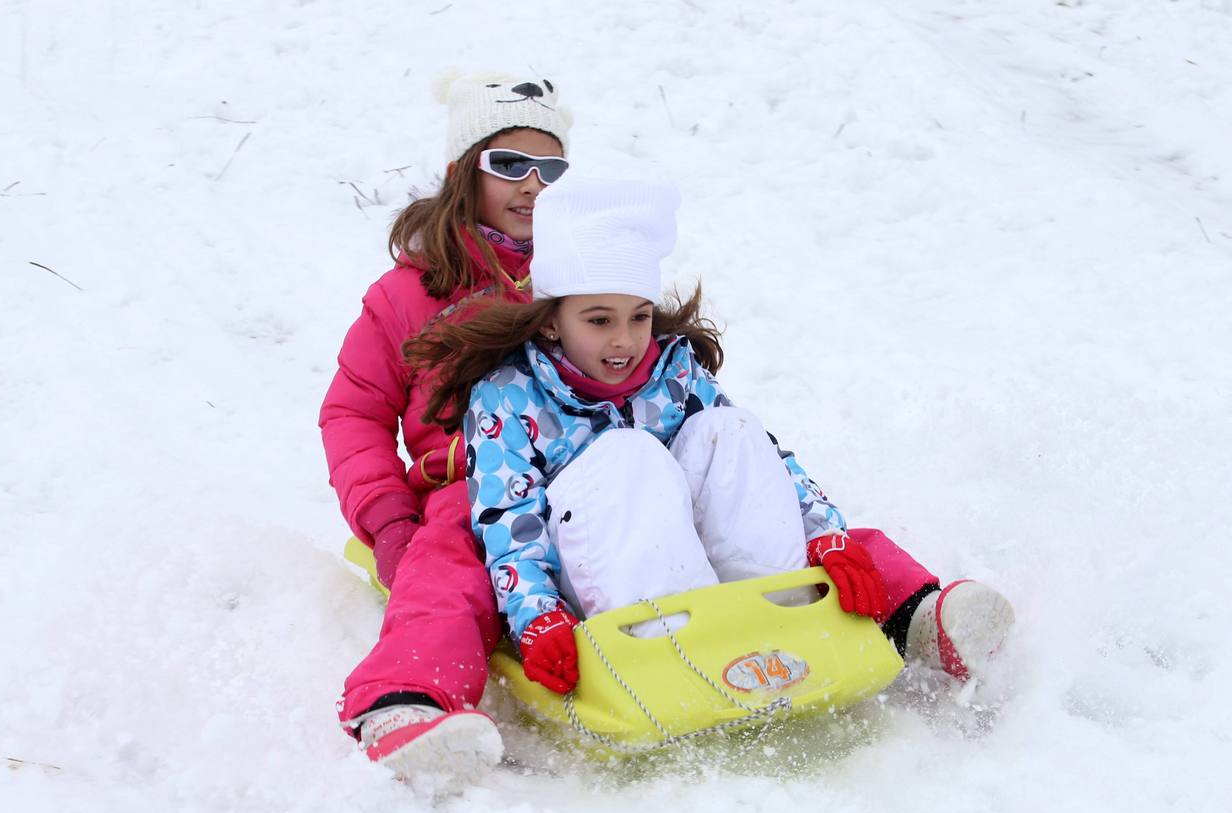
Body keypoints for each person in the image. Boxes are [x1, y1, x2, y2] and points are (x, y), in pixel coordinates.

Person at [404, 171, 1015, 696]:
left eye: (638, 317)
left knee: (729, 430)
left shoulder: (673, 371)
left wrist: (825, 536)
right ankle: (670, 639)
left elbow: (764, 460)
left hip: (689, 562)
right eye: (599, 321)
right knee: (626, 454)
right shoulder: (509, 394)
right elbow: (508, 517)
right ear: (553, 322)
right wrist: (537, 618)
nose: (624, 340)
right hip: (602, 595)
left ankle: (781, 609)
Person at [318, 71, 573, 782]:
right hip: (470, 486)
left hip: (583, 466)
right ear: (466, 173)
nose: (533, 185)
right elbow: (354, 411)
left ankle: (898, 603)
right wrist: (388, 519)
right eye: (510, 165)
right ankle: (406, 703)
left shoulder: (584, 274)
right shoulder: (409, 294)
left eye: (551, 168)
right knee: (451, 563)